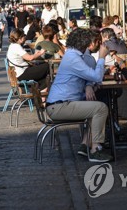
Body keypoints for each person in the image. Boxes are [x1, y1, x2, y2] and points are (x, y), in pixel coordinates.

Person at [46, 28, 112, 163]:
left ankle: (88, 144)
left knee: (97, 103)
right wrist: (101, 57)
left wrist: (89, 85)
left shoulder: (72, 56)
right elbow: (97, 76)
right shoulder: (73, 58)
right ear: (86, 43)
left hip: (61, 103)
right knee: (100, 108)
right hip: (60, 106)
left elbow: (89, 75)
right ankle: (96, 149)